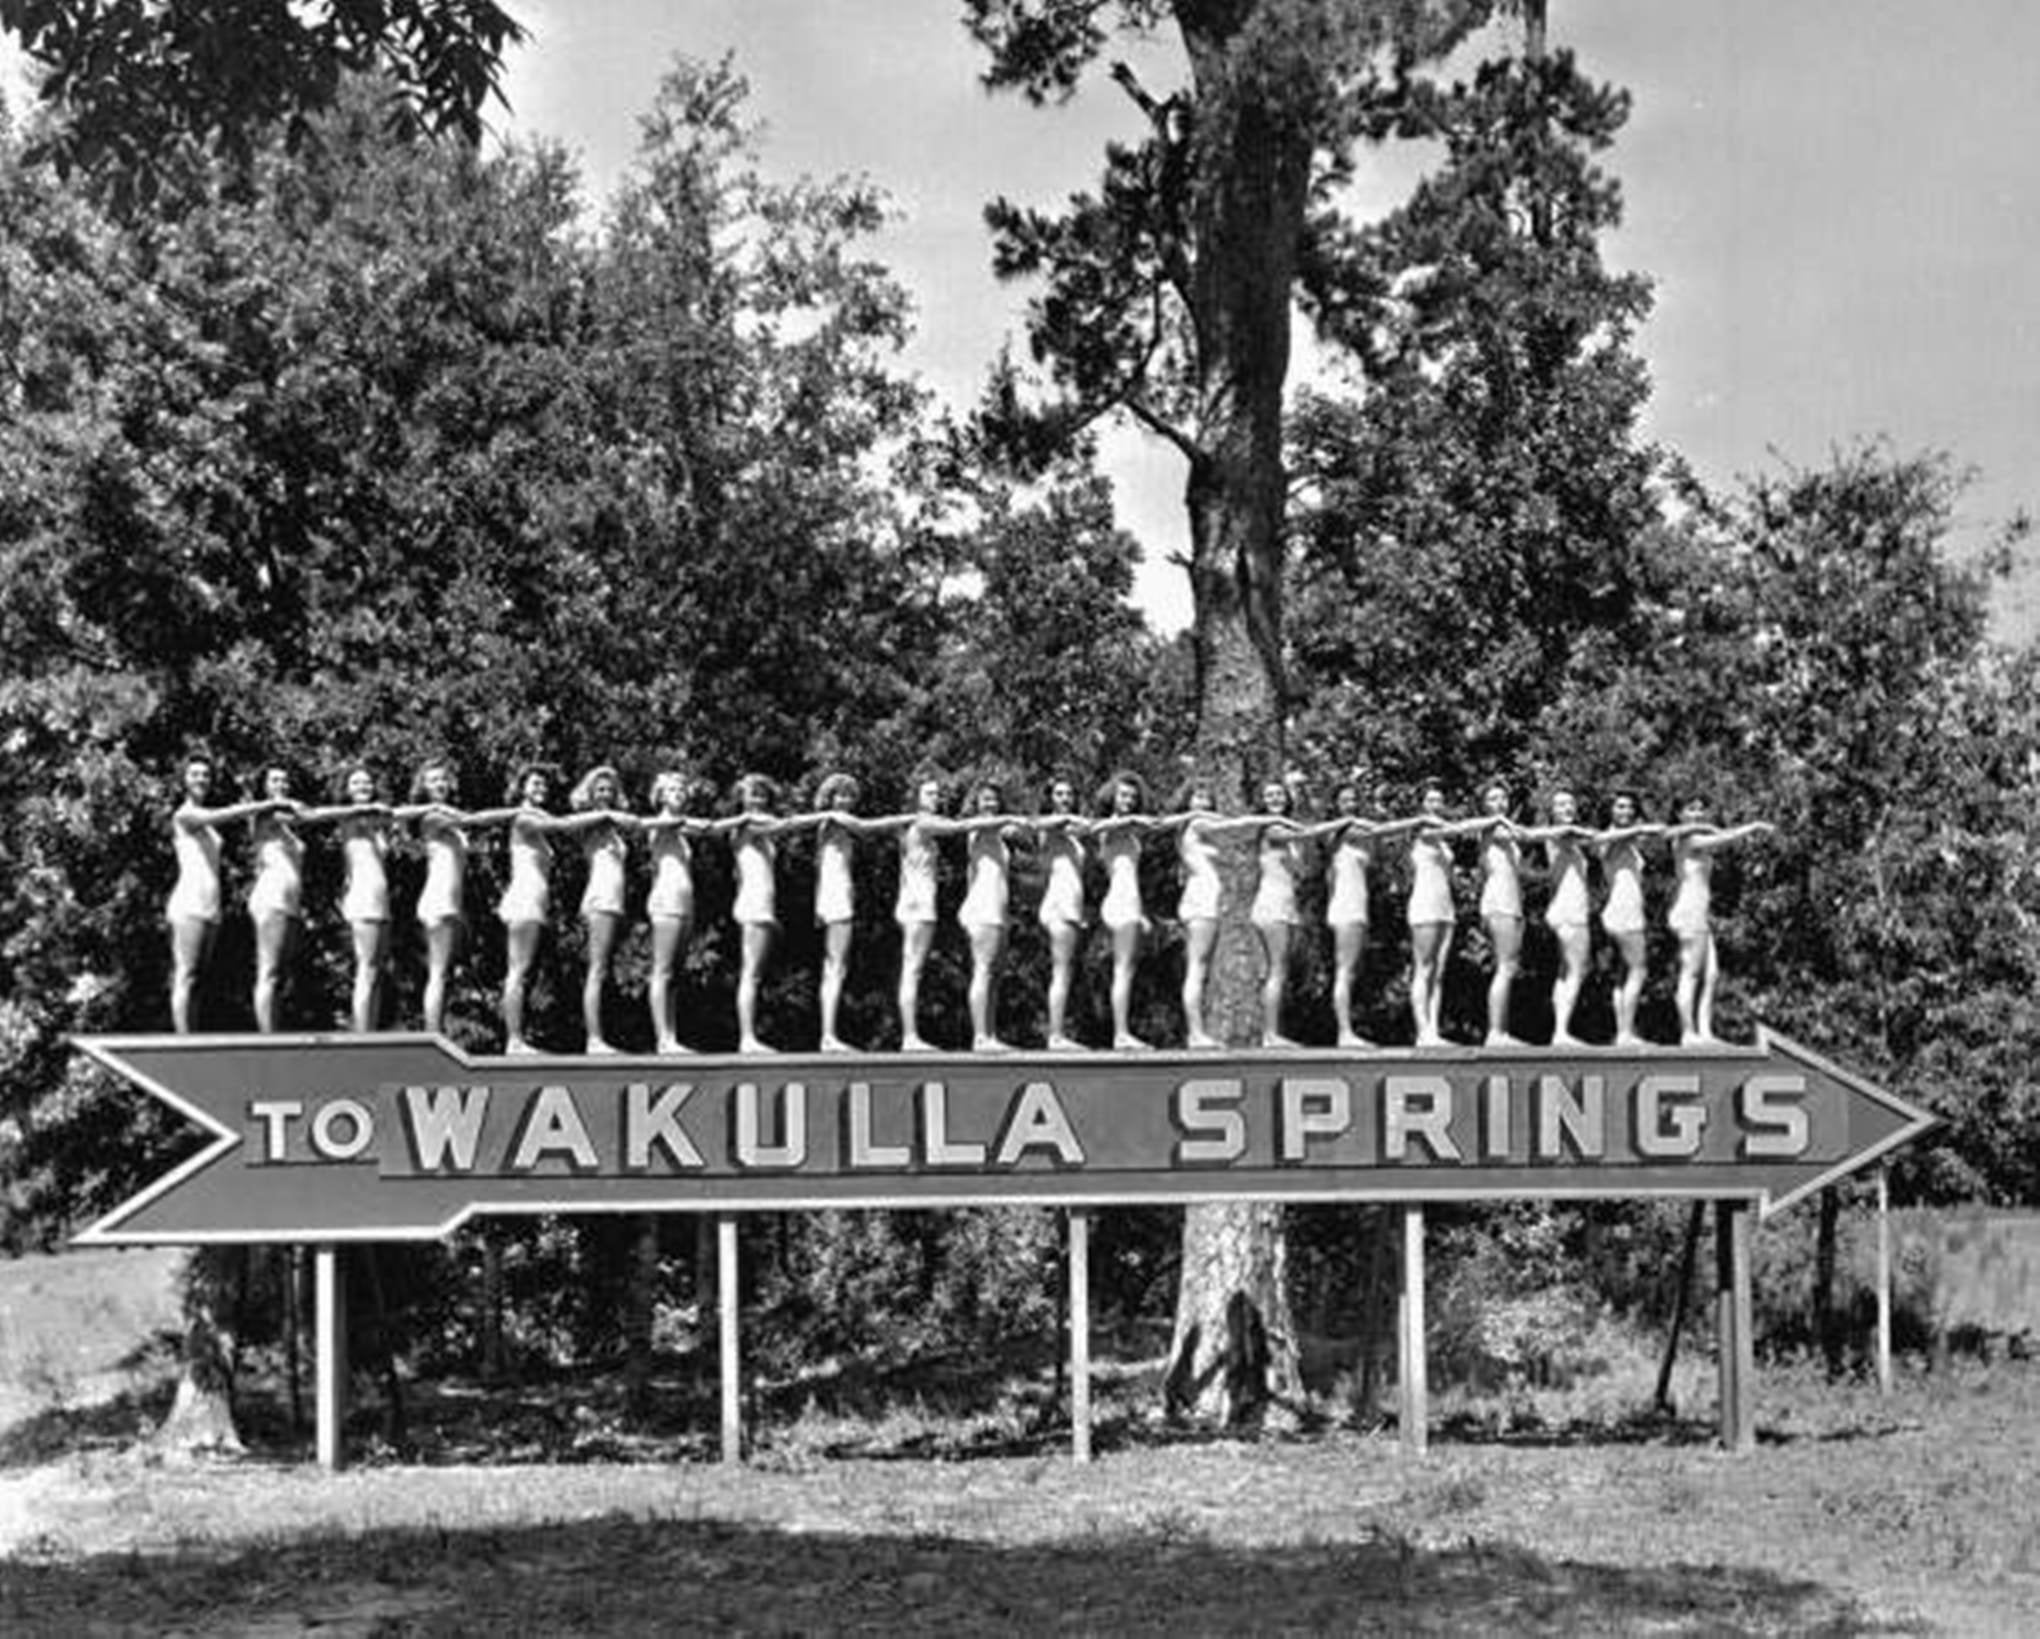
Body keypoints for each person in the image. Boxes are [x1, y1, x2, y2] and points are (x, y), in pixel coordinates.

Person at [167, 753, 291, 1033]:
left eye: (205, 775)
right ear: (184, 780)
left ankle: (191, 1034)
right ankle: (183, 1041)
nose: (201, 779)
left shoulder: (206, 823)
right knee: (186, 974)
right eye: (195, 774)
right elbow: (222, 815)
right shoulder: (185, 814)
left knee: (199, 977)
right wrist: (266, 803)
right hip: (188, 903)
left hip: (209, 904)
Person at [495, 763, 614, 1055]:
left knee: (525, 971)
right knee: (518, 971)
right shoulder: (524, 817)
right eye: (534, 784)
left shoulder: (537, 818)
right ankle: (514, 1040)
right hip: (524, 899)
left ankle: (517, 1037)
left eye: (543, 786)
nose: (540, 789)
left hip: (536, 901)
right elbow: (561, 826)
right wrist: (603, 813)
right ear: (521, 788)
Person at [1296, 775, 1423, 1049]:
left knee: (1350, 971)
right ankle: (1344, 1032)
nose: (1350, 804)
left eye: (1353, 799)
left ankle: (1347, 1029)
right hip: (1345, 907)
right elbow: (1381, 830)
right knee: (1344, 970)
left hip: (1357, 906)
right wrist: (1416, 822)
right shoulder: (1338, 832)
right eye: (1344, 800)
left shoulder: (1359, 835)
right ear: (1336, 804)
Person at [1167, 775, 1287, 1049]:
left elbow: (1235, 835)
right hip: (1200, 898)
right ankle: (1194, 1033)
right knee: (1196, 967)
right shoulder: (1197, 822)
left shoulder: (1205, 827)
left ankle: (1198, 1032)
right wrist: (1267, 819)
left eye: (1207, 797)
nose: (1204, 801)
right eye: (1198, 796)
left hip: (1209, 899)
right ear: (1188, 801)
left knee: (1203, 968)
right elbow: (1236, 825)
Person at [408, 760, 516, 1037]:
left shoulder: (448, 820)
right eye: (433, 781)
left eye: (443, 779)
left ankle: (437, 1031)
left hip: (452, 904)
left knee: (446, 974)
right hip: (438, 901)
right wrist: (510, 813)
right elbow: (470, 820)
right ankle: (432, 1034)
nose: (440, 784)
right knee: (438, 972)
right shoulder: (431, 817)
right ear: (424, 787)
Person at [293, 766, 402, 1034]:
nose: (363, 786)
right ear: (348, 790)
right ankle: (361, 1034)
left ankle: (370, 1030)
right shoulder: (348, 817)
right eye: (356, 783)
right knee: (366, 968)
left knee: (376, 971)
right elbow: (317, 814)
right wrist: (371, 809)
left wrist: (385, 812)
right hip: (363, 898)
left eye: (367, 782)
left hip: (381, 899)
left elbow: (400, 814)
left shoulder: (379, 822)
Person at [712, 773, 810, 1055]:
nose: (759, 799)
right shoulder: (748, 825)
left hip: (761, 905)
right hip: (754, 905)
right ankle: (747, 1038)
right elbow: (785, 825)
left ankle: (749, 1035)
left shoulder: (757, 826)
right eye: (753, 794)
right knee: (751, 973)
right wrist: (821, 816)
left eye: (762, 794)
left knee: (755, 973)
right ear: (741, 798)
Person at [1666, 797, 1776, 1045]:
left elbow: (1718, 836)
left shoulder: (1696, 837)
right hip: (1687, 912)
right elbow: (1725, 839)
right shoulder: (1688, 840)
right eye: (1691, 809)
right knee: (1691, 973)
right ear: (1680, 814)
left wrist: (1712, 827)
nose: (1697, 813)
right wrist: (1753, 826)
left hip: (1699, 913)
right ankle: (1688, 1032)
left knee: (1711, 974)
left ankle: (1705, 1031)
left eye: (1700, 808)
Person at [635, 771, 713, 1054]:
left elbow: (700, 828)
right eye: (672, 790)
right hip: (666, 900)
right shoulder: (662, 824)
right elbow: (660, 824)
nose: (679, 793)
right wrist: (699, 825)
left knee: (675, 974)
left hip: (684, 902)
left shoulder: (681, 832)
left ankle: (671, 1035)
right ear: (661, 795)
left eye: (682, 789)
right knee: (663, 970)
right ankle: (662, 1038)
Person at [1404, 780, 1484, 1048]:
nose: (1435, 806)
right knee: (1423, 967)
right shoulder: (1422, 831)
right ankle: (1422, 1030)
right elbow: (1457, 829)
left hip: (1445, 906)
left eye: (1439, 801)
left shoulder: (1443, 842)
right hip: (1424, 905)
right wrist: (1483, 823)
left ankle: (1433, 1030)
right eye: (1430, 801)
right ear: (1422, 805)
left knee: (1438, 972)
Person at [1518, 786, 1594, 1046]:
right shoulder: (1559, 835)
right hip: (1569, 911)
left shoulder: (1572, 841)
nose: (1568, 808)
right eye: (1561, 805)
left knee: (1567, 971)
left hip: (1568, 910)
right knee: (1576, 970)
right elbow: (1540, 834)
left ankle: (1560, 1030)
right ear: (1551, 811)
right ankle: (1561, 1032)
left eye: (1571, 804)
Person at [955, 777, 1025, 1051]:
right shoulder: (977, 827)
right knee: (983, 970)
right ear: (976, 802)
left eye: (994, 799)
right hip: (984, 908)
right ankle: (980, 1036)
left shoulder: (997, 834)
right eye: (985, 799)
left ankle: (991, 1033)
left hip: (997, 908)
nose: (991, 804)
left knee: (994, 974)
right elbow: (1002, 826)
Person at [570, 765, 633, 1054]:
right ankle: (593, 1039)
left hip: (615, 901)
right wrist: (608, 812)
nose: (605, 794)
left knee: (603, 969)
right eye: (600, 789)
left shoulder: (614, 826)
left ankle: (600, 1035)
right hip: (601, 898)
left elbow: (631, 822)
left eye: (609, 790)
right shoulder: (591, 822)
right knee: (596, 970)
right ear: (591, 794)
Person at [1092, 771, 1157, 1050]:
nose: (1128, 800)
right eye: (1123, 795)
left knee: (1126, 969)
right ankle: (1120, 1034)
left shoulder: (1130, 831)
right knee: (1122, 970)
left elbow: (1131, 876)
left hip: (1129, 901)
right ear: (1112, 797)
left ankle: (1122, 1030)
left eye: (1132, 796)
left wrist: (1141, 912)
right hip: (1119, 902)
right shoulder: (1110, 826)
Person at [1246, 776, 1311, 1047]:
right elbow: (1303, 834)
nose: (1275, 799)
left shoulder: (1289, 833)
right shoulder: (1272, 828)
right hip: (1271, 904)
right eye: (1270, 795)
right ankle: (1270, 1034)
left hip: (1285, 902)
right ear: (1262, 801)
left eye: (1280, 795)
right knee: (1276, 969)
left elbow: (1301, 871)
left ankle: (1273, 1032)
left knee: (1279, 969)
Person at [1594, 790, 1663, 1046]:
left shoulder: (1631, 840)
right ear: (1611, 810)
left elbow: (1653, 831)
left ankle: (1623, 1031)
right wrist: (1641, 829)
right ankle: (1625, 1033)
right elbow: (1611, 841)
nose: (1625, 812)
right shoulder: (1606, 837)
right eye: (1619, 807)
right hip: (1622, 912)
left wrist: (1645, 830)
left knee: (1624, 974)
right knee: (1638, 970)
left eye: (1629, 807)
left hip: (1629, 910)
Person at [243, 766, 308, 1034]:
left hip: (290, 902)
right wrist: (290, 805)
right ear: (265, 786)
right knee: (269, 971)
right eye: (275, 780)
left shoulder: (287, 823)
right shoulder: (263, 815)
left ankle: (274, 1030)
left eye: (285, 779)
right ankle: (266, 1036)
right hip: (271, 898)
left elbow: (304, 817)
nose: (281, 784)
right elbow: (291, 812)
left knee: (282, 975)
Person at [1033, 776, 1092, 1050]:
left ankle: (1058, 1032)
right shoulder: (1051, 826)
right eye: (1059, 793)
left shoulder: (1072, 831)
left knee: (1065, 970)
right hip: (1059, 906)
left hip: (1072, 907)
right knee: (1061, 970)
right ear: (1050, 798)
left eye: (1068, 793)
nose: (1065, 798)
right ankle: (1055, 1035)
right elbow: (1042, 823)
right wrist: (1076, 821)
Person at [1472, 779, 1527, 1047]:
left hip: (1511, 901)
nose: (1500, 803)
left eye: (1503, 798)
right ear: (1484, 805)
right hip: (1499, 901)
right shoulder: (1493, 828)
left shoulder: (1504, 826)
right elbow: (1524, 835)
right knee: (1504, 967)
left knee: (1509, 966)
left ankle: (1501, 1031)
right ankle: (1495, 1032)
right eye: (1493, 799)